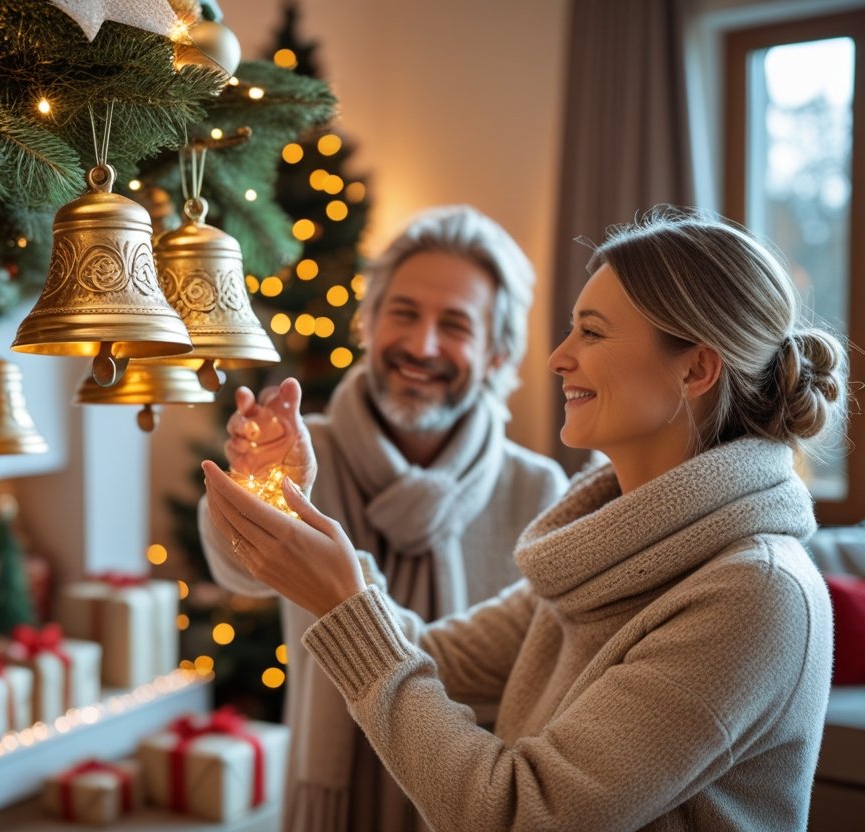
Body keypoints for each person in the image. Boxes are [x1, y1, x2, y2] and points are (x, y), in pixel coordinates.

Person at [202, 205, 848, 831]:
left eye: (591, 332)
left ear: (697, 368)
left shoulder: (754, 593)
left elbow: (517, 815)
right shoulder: (604, 550)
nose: (557, 357)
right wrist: (320, 558)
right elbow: (428, 656)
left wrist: (345, 601)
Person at [198, 205, 568, 831]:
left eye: (455, 325)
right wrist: (256, 484)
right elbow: (242, 572)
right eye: (403, 314)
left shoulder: (535, 488)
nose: (422, 345)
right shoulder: (302, 449)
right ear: (368, 324)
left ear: (497, 354)